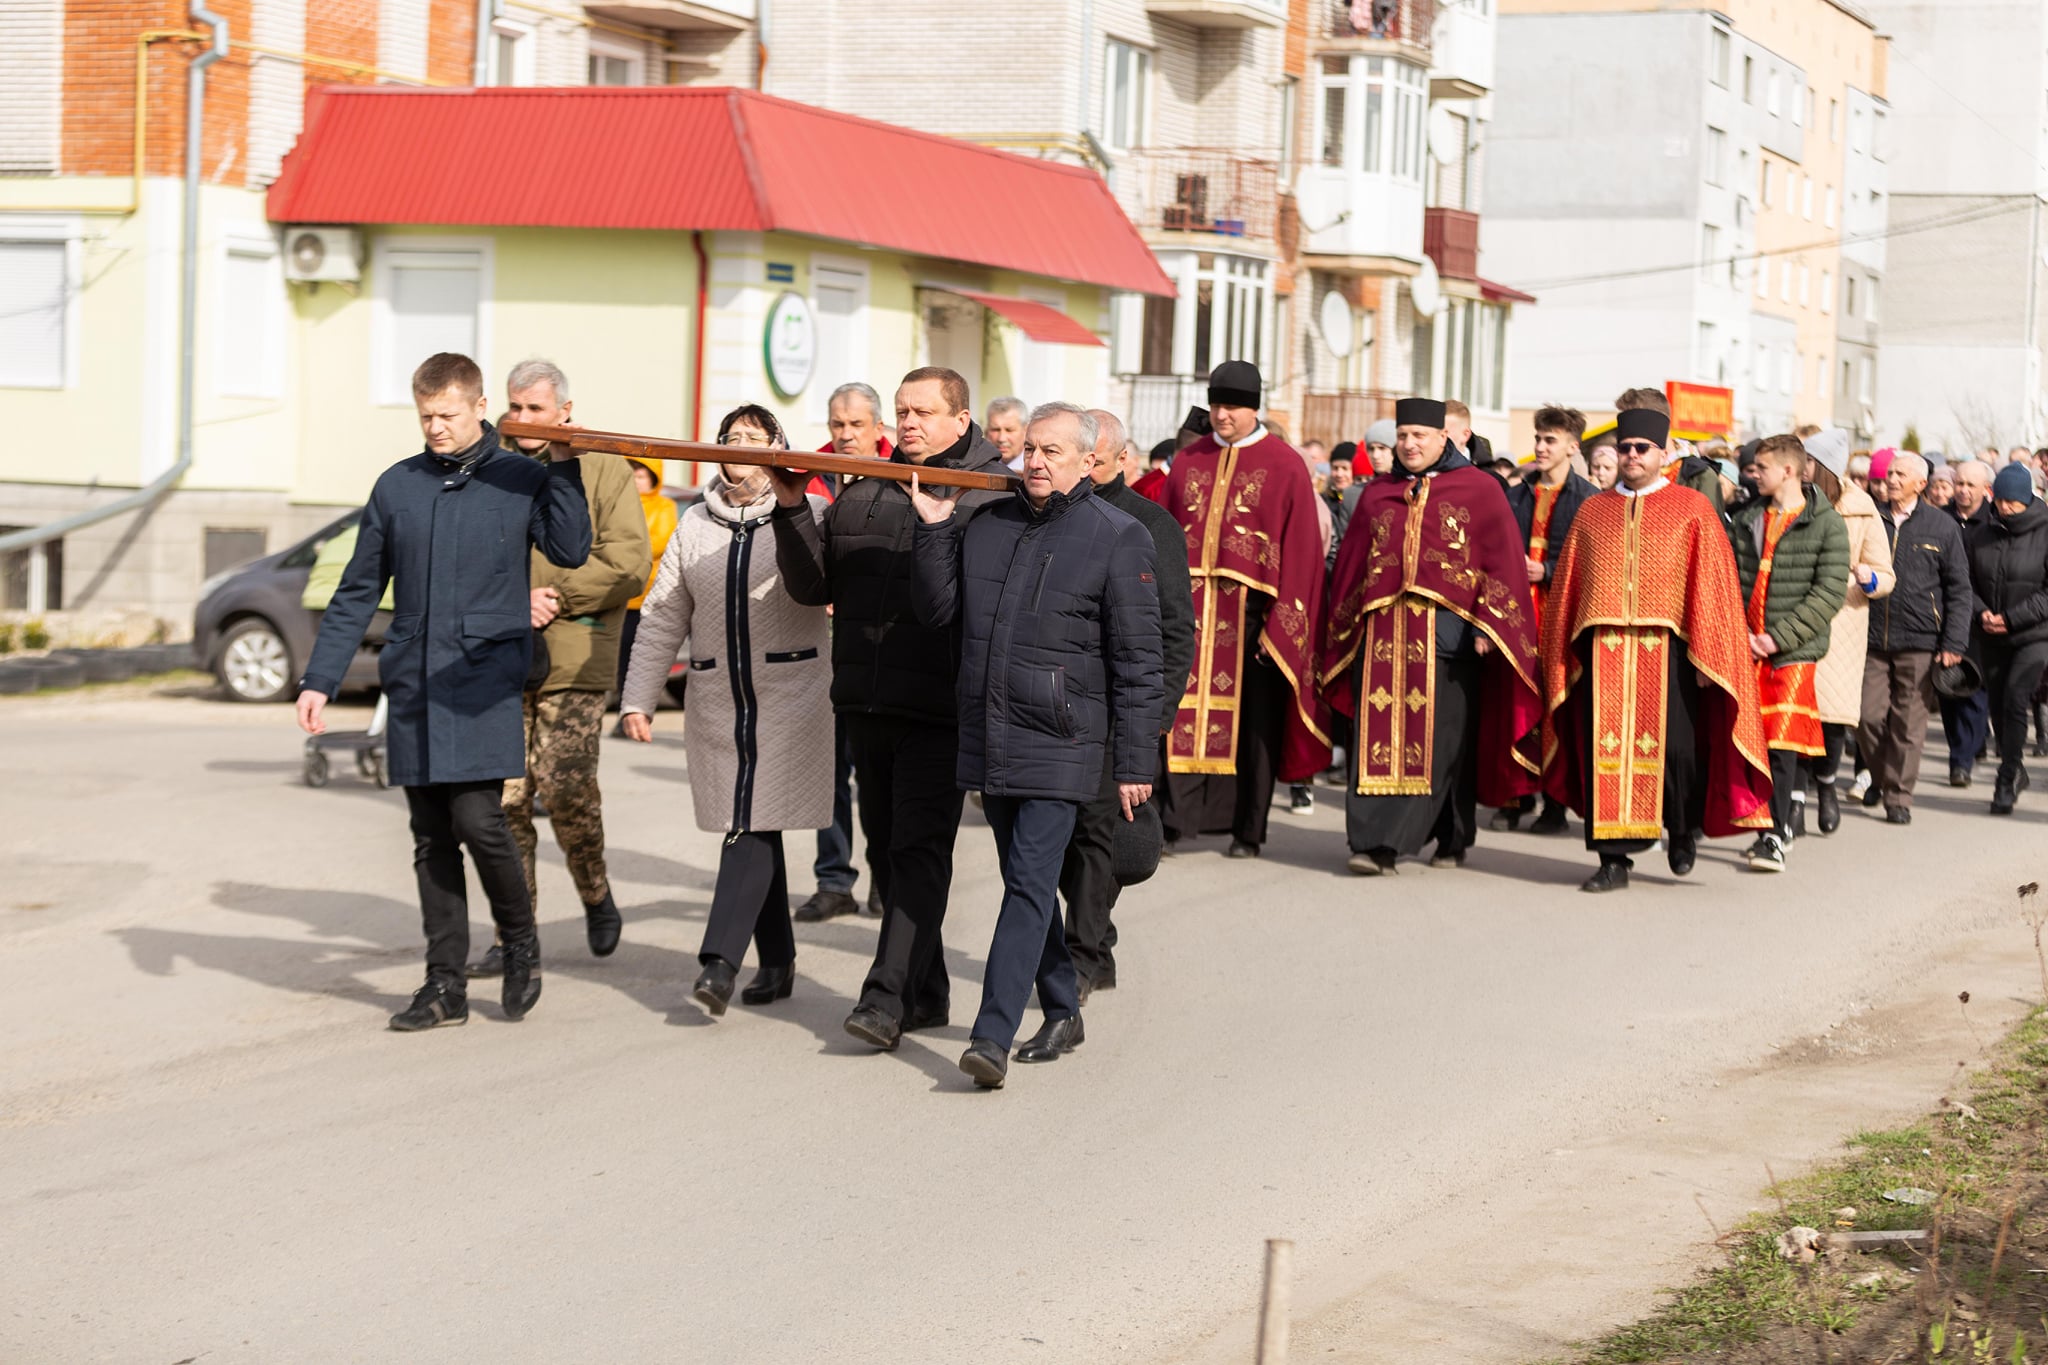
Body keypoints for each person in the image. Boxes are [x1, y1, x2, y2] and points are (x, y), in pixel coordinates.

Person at [296, 352, 591, 1029]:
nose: (435, 427)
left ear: (480, 407)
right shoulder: (397, 485)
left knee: (478, 820)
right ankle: (444, 985)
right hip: (416, 679)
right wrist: (320, 678)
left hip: (482, 677)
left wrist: (563, 464)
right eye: (426, 416)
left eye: (447, 415)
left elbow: (572, 548)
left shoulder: (521, 477)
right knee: (430, 835)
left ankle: (520, 942)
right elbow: (358, 589)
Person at [907, 403, 1163, 1089]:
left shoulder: (1119, 536)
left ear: (1088, 461)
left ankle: (991, 1035)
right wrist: (933, 531)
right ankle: (1062, 1007)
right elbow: (938, 612)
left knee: (1026, 883)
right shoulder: (989, 523)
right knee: (1029, 883)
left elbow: (1140, 660)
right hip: (991, 732)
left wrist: (1135, 761)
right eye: (1032, 449)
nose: (1038, 462)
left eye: (1054, 451)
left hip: (1064, 739)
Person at [769, 367, 1010, 1052]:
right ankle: (927, 992)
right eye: (902, 411)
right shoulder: (866, 487)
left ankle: (884, 996)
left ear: (961, 420)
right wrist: (791, 508)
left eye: (924, 412)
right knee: (884, 849)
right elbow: (814, 586)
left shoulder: (989, 496)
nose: (909, 423)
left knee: (917, 851)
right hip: (866, 699)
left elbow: (965, 607)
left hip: (942, 705)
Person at [620, 406, 830, 1014]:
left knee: (751, 822)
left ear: (778, 446)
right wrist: (638, 697)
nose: (739, 446)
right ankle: (779, 960)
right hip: (718, 699)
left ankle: (719, 963)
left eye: (753, 438)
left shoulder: (812, 512)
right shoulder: (694, 523)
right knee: (753, 820)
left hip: (792, 696)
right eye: (730, 437)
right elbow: (663, 615)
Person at [1541, 407, 1773, 893]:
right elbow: (1570, 587)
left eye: (1641, 448)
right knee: (1603, 753)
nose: (1631, 456)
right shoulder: (1593, 511)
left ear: (1663, 453)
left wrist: (1712, 654)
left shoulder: (1692, 508)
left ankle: (1682, 829)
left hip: (1672, 653)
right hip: (1603, 652)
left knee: (1678, 753)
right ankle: (1613, 859)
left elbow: (1713, 587)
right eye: (1624, 448)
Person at [469, 360, 650, 979]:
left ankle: (595, 892)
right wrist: (510, 603)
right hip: (499, 654)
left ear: (565, 412)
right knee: (505, 800)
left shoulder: (601, 466)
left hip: (575, 651)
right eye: (515, 407)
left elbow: (628, 563)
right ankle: (514, 935)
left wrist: (557, 596)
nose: (521, 420)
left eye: (536, 409)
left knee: (564, 788)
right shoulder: (486, 462)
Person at [1320, 397, 1542, 875]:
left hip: (1450, 637)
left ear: (1443, 438)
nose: (1409, 444)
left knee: (1445, 744)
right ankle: (1375, 843)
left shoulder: (1480, 489)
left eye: (1419, 435)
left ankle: (1451, 835)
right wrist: (1346, 630)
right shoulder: (1378, 492)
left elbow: (1501, 561)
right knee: (1376, 738)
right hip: (1382, 636)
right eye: (1403, 436)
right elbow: (1354, 566)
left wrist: (1487, 623)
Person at [1160, 361, 1332, 859]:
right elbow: (1164, 534)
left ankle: (1248, 830)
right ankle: (1174, 821)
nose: (1221, 415)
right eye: (1216, 405)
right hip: (1190, 615)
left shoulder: (1285, 463)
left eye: (1232, 407)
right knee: (1177, 715)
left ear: (1254, 408)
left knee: (1255, 728)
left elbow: (1302, 553)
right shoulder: (1189, 460)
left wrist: (1281, 626)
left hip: (1254, 619)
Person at [1058, 410, 1194, 1003]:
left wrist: (1156, 717)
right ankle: (1098, 940)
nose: (1085, 465)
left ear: (1120, 461)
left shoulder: (1151, 525)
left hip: (1121, 711)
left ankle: (1082, 957)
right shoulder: (1052, 513)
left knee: (1101, 836)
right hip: (1059, 705)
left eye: (1096, 457)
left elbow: (1175, 629)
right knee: (1060, 838)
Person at [795, 381, 897, 923]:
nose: (845, 434)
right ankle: (834, 880)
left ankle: (884, 876)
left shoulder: (904, 473)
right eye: (837, 424)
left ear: (879, 427)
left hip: (880, 644)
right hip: (822, 645)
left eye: (856, 424)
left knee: (877, 774)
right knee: (827, 771)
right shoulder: (811, 473)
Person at [1728, 436, 1849, 870]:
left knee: (1780, 744)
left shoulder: (1827, 524)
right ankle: (1762, 825)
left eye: (1761, 467)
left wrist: (1776, 638)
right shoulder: (1746, 517)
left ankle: (1775, 835)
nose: (1753, 474)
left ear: (1789, 471)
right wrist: (1740, 632)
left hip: (1792, 652)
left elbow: (1828, 593)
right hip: (1746, 647)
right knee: (1751, 741)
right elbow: (1730, 579)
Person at [1495, 404, 1599, 835]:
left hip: (1561, 617)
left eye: (1550, 440)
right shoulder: (1516, 494)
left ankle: (1555, 804)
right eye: (1538, 438)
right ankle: (1515, 795)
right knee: (1516, 705)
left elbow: (1595, 561)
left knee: (1558, 709)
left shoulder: (1589, 500)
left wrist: (1550, 570)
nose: (1540, 447)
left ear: (1572, 447)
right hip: (1518, 618)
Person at [1859, 452, 1972, 824]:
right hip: (1871, 636)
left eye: (1900, 474)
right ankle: (1882, 777)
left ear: (1921, 484)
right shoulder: (1870, 517)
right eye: (1889, 473)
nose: (1891, 479)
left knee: (1908, 724)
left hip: (1921, 640)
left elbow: (1959, 590)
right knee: (1867, 716)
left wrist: (1953, 643)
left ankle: (1898, 797)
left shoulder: (1942, 526)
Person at [1800, 429, 1894, 836]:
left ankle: (1826, 787)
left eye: (1807, 460)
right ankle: (1794, 801)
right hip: (1795, 619)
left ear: (1823, 466)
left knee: (1832, 718)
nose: (1800, 467)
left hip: (1842, 625)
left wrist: (1869, 578)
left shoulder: (1861, 509)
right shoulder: (1791, 500)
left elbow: (1886, 574)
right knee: (1794, 713)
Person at [1965, 464, 2048, 814]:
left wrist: (2012, 619)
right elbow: (1964, 581)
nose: (2004, 507)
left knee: (2015, 698)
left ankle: (2006, 777)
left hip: (2034, 634)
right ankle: (2015, 765)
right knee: (1998, 707)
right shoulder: (1981, 533)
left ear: (2026, 499)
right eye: (1998, 500)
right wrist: (1982, 612)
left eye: (2011, 501)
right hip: (1990, 634)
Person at [612, 457, 678, 739]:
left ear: (653, 478)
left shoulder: (664, 506)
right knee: (622, 657)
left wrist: (628, 545)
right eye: (633, 476)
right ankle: (623, 711)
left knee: (647, 656)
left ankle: (640, 710)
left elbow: (661, 540)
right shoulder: (618, 503)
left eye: (641, 476)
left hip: (652, 595)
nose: (637, 482)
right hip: (622, 595)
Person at [1941, 458, 1997, 786]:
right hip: (1944, 616)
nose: (1962, 490)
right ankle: (1962, 749)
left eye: (1969, 485)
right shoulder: (1941, 519)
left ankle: (1961, 761)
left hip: (1980, 620)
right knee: (1948, 690)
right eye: (1958, 483)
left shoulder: (1993, 522)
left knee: (1974, 690)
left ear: (1984, 489)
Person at [1616, 386, 1724, 516]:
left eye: (1634, 421)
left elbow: (1710, 527)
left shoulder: (1700, 477)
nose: (1627, 429)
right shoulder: (1628, 471)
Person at [986, 396, 1029, 473]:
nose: (1001, 438)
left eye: (1009, 430)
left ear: (1026, 431)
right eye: (995, 429)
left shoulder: (1036, 470)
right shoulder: (976, 467)